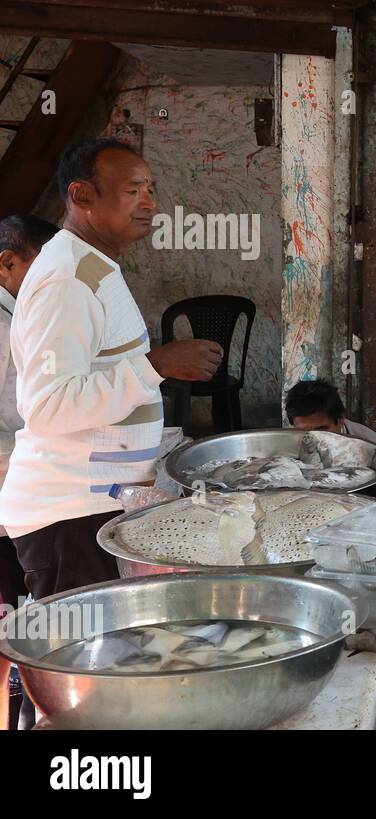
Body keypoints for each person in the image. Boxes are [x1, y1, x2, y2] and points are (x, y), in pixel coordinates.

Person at [0, 138, 222, 600]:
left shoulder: (91, 265)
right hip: (68, 515)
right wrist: (155, 365)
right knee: (84, 656)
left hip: (97, 504)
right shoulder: (65, 279)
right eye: (133, 190)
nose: (150, 202)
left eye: (151, 189)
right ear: (82, 196)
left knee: (109, 651)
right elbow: (48, 406)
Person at [0, 215, 59, 610]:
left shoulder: (18, 311)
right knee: (12, 589)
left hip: (19, 466)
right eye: (42, 268)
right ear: (7, 263)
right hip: (7, 467)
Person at [285, 379, 376, 460]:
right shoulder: (285, 445)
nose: (313, 439)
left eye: (322, 430)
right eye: (304, 432)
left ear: (340, 420)